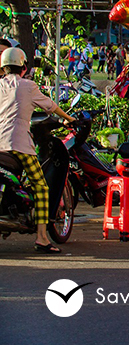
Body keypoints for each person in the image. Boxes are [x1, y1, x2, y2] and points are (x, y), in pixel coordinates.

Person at [0, 47, 74, 252]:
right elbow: (50, 106)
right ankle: (42, 238)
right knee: (41, 188)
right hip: (19, 145)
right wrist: (69, 119)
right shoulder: (28, 86)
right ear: (23, 67)